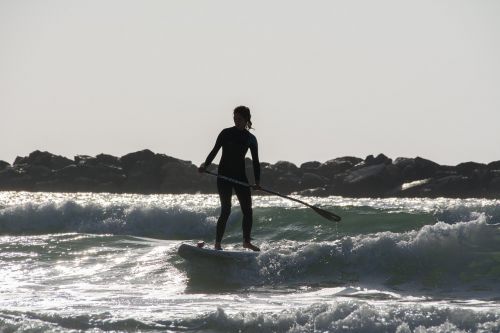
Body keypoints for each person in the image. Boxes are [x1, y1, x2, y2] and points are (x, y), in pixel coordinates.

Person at [198, 106, 261, 251]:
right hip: (224, 176)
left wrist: (257, 182)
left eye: (240, 119)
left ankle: (246, 241)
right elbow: (214, 151)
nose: (236, 121)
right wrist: (205, 165)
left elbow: (256, 161)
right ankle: (218, 244)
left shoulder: (250, 139)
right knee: (226, 210)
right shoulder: (226, 133)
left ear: (246, 120)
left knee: (248, 210)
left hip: (240, 177)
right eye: (235, 118)